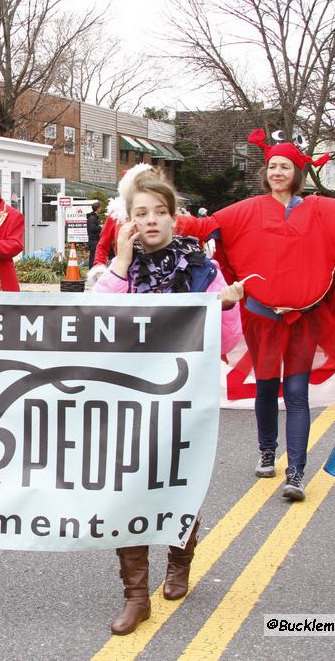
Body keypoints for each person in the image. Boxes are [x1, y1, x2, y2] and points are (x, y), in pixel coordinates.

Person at [175, 129, 335, 501]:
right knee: (267, 387)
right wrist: (160, 215)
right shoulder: (246, 209)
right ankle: (267, 451)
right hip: (261, 319)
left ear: (296, 172)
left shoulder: (322, 210)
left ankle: (297, 472)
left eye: (284, 166)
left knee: (296, 393)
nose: (276, 172)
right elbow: (203, 228)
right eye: (272, 166)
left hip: (305, 320)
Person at [92, 166, 244, 635]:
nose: (152, 220)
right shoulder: (117, 269)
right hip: (127, 398)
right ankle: (136, 595)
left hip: (183, 398)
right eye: (142, 213)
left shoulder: (203, 268)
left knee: (181, 484)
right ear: (128, 220)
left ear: (175, 219)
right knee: (126, 489)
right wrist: (118, 265)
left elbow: (226, 339)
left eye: (161, 212)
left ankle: (180, 561)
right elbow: (94, 323)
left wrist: (227, 304)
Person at [86, 200, 102, 268]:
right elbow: (92, 229)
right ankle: (91, 271)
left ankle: (92, 270)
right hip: (93, 240)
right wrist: (100, 227)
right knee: (93, 257)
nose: (100, 209)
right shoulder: (93, 218)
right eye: (100, 207)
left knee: (93, 256)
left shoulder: (93, 217)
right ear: (98, 208)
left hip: (93, 240)